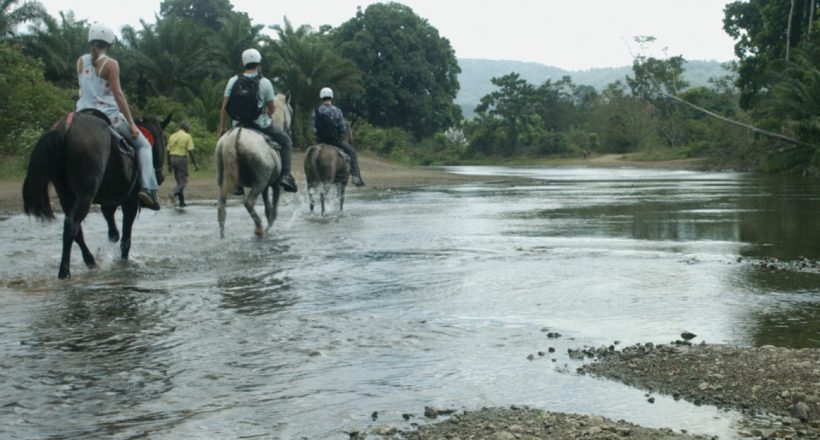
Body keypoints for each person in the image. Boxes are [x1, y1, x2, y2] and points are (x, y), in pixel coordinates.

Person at [76, 22, 161, 210]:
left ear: (92, 41)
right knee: (144, 145)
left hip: (82, 113)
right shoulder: (111, 64)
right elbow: (118, 95)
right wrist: (131, 124)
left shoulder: (81, 61)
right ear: (109, 43)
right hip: (108, 116)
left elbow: (87, 88)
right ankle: (148, 189)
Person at [218, 48, 297, 192]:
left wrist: (222, 128)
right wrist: (266, 113)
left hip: (237, 124)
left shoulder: (233, 81)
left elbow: (224, 107)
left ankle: (233, 181)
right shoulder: (265, 82)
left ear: (244, 63)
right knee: (286, 141)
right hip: (260, 124)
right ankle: (286, 176)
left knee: (225, 146)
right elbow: (272, 108)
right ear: (258, 63)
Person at [312, 87, 364, 186]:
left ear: (321, 97)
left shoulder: (316, 111)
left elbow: (314, 128)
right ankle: (356, 177)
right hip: (335, 141)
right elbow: (342, 129)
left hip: (320, 141)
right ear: (331, 97)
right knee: (352, 153)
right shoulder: (337, 111)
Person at [166, 121, 198, 207]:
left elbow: (168, 151)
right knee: (183, 182)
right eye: (188, 128)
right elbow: (190, 151)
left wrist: (169, 164)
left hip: (172, 158)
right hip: (181, 159)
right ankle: (173, 193)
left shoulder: (172, 136)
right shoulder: (187, 136)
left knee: (179, 181)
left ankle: (181, 202)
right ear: (186, 128)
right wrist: (195, 164)